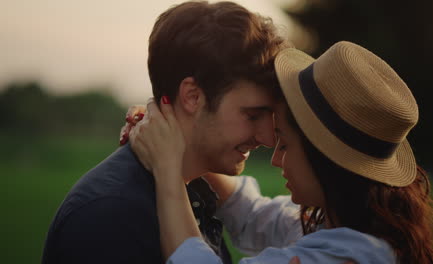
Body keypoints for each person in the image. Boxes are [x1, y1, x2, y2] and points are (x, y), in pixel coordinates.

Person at [129, 41, 433, 263]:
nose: (276, 157)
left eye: (285, 143)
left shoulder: (348, 256)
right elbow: (252, 215)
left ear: (326, 160)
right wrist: (181, 139)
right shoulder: (350, 224)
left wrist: (167, 169)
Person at [41, 2, 288, 263]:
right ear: (192, 96)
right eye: (252, 115)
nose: (268, 138)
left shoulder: (193, 194)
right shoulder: (110, 214)